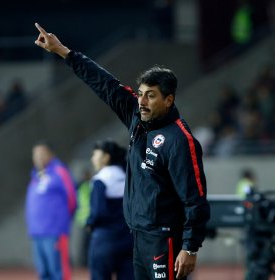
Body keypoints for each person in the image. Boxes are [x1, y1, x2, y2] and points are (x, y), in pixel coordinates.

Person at [34, 23, 210, 280]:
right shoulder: (136, 117)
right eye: (140, 94)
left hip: (164, 240)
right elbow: (105, 84)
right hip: (137, 238)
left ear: (169, 100)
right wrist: (64, 52)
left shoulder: (180, 140)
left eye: (150, 96)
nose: (142, 102)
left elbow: (195, 198)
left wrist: (190, 247)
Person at [25, 141, 77, 280]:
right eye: (35, 154)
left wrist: (62, 223)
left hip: (55, 232)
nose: (38, 157)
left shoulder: (60, 172)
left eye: (42, 154)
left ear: (51, 154)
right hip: (37, 233)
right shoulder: (35, 176)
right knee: (44, 273)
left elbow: (72, 198)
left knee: (58, 273)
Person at [86, 139, 134, 280]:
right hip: (128, 239)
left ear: (106, 157)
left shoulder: (100, 180)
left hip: (105, 240)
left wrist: (90, 223)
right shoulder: (127, 177)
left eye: (95, 154)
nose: (92, 158)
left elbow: (98, 212)